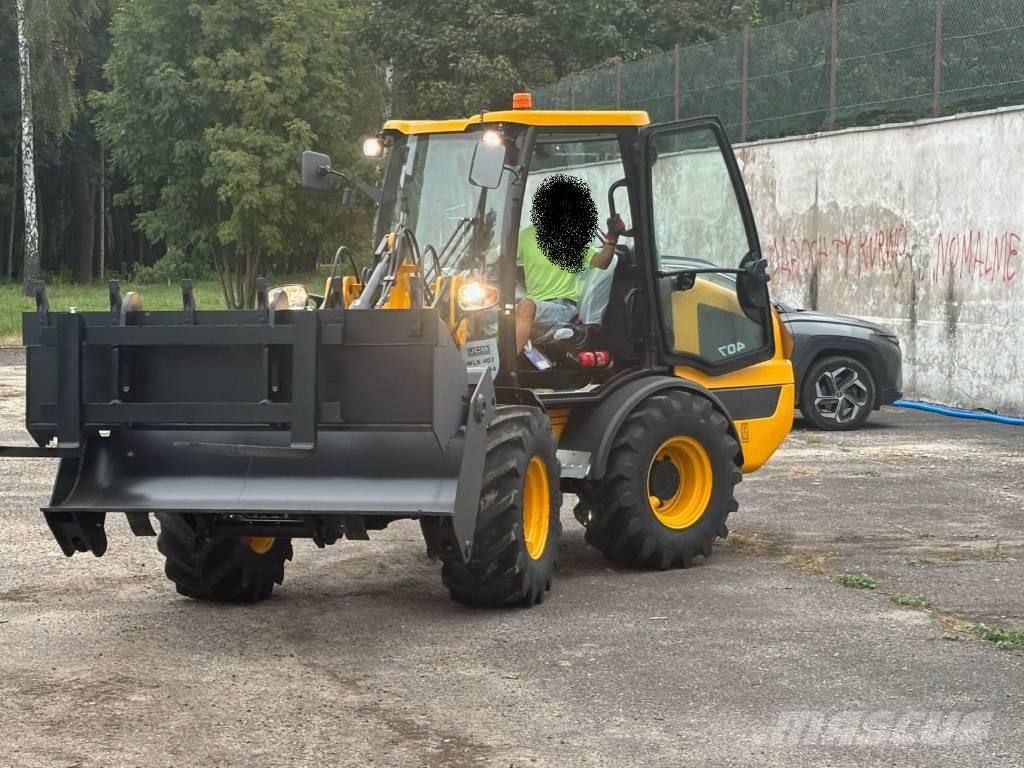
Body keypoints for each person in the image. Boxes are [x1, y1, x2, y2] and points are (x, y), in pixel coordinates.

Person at [516, 201, 626, 353]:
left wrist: (612, 237)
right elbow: (499, 254)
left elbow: (602, 262)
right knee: (496, 310)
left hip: (563, 307)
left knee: (526, 307)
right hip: (536, 306)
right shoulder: (525, 235)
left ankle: (506, 364)